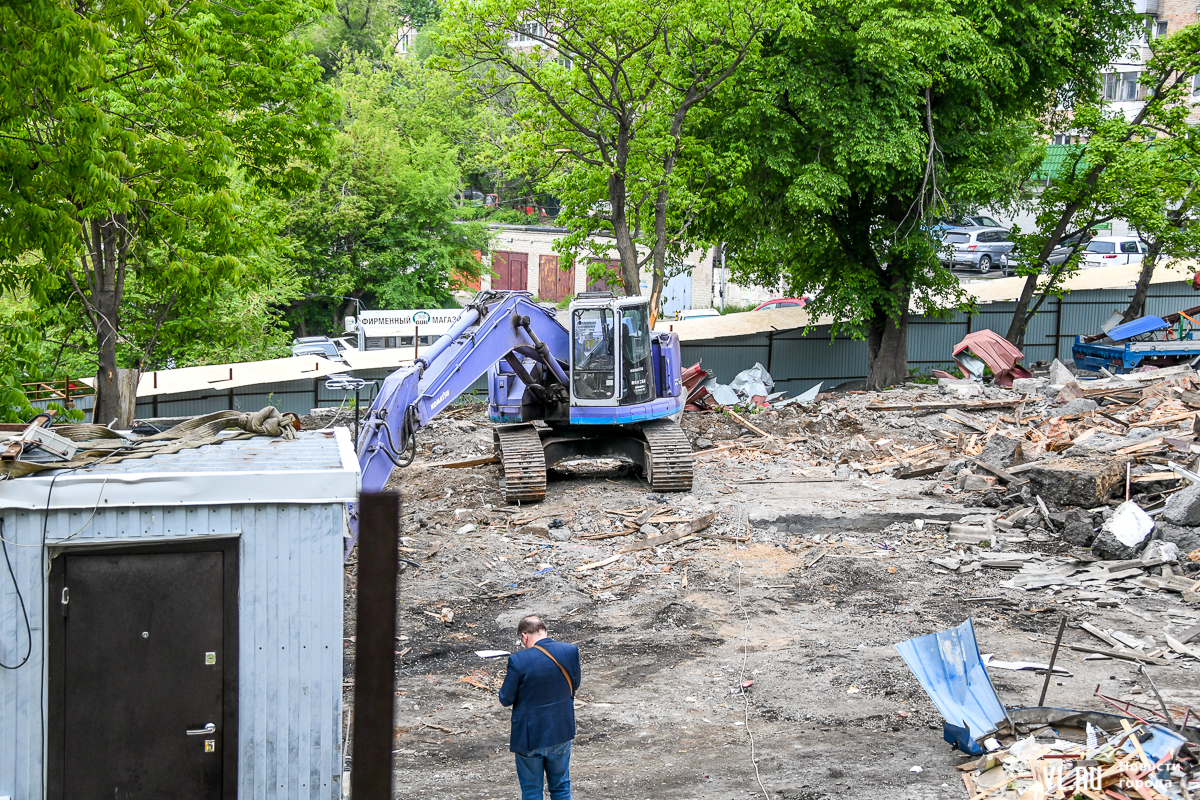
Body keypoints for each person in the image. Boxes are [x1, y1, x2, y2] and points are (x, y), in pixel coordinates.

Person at [498, 615, 582, 800]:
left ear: (524, 636)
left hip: (529, 736)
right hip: (560, 730)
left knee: (532, 792)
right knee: (561, 787)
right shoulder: (570, 651)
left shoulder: (519, 660)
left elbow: (505, 698)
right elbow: (574, 685)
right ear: (544, 631)